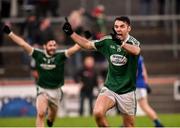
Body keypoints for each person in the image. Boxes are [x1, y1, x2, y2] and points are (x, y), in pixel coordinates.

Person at [62, 16, 141, 127]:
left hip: (127, 91)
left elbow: (136, 51)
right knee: (98, 113)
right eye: (116, 26)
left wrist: (121, 44)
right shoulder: (108, 41)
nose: (118, 29)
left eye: (122, 26)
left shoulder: (134, 42)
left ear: (129, 28)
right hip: (110, 88)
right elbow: (87, 44)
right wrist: (71, 33)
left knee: (129, 126)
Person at [2, 25, 81, 128]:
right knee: (41, 113)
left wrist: (86, 39)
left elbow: (75, 48)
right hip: (43, 89)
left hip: (56, 91)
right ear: (44, 46)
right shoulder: (38, 54)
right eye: (50, 45)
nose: (53, 48)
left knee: (52, 115)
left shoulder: (60, 56)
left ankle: (51, 120)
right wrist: (10, 33)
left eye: (54, 45)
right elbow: (23, 44)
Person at [136, 55, 164, 127]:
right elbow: (144, 72)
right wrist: (146, 83)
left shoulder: (133, 57)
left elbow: (134, 73)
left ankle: (158, 123)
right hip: (141, 84)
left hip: (137, 85)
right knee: (136, 106)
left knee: (143, 106)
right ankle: (158, 123)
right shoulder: (140, 57)